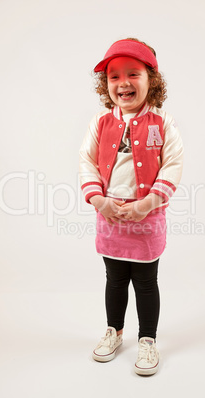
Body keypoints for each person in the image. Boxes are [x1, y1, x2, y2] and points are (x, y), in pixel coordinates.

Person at [79, 37, 184, 376]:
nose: (123, 83)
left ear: (151, 79)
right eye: (113, 76)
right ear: (105, 84)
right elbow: (87, 162)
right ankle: (114, 330)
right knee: (114, 278)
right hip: (109, 215)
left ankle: (148, 339)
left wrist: (150, 203)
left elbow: (173, 164)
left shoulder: (163, 123)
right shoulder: (100, 123)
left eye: (133, 74)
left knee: (145, 280)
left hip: (148, 217)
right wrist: (98, 199)